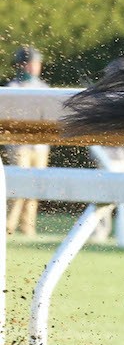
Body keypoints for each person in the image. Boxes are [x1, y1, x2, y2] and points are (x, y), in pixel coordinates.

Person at [4, 46, 51, 236]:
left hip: (39, 147)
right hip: (19, 146)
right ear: (21, 65)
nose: (34, 68)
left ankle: (28, 228)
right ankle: (8, 227)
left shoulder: (44, 88)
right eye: (31, 64)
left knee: (35, 188)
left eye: (36, 64)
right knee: (18, 188)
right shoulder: (12, 89)